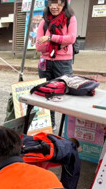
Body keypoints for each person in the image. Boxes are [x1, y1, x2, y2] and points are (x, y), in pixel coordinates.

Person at [36, 0, 77, 129]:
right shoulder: (44, 22)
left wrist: (50, 38)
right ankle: (50, 123)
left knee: (66, 93)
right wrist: (60, 43)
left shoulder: (70, 19)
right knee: (47, 94)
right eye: (51, 3)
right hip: (45, 63)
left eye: (58, 3)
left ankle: (67, 128)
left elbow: (71, 38)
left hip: (63, 63)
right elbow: (38, 46)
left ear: (64, 4)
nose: (54, 7)